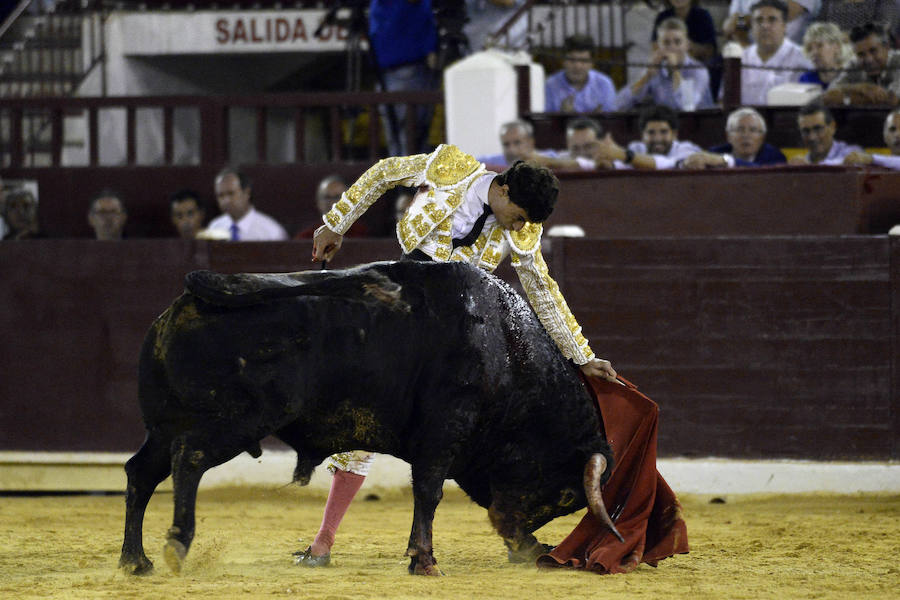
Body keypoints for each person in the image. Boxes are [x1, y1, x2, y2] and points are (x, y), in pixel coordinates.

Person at [296, 146, 619, 567]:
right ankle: (322, 543)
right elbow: (383, 172)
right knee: (363, 417)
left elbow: (542, 289)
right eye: (518, 215)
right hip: (405, 308)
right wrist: (336, 223)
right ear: (502, 190)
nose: (520, 227)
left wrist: (581, 356)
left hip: (457, 334)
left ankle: (515, 536)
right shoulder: (449, 169)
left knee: (487, 428)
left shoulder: (521, 230)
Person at [369, 0, 438, 156]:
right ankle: (405, 177)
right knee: (405, 135)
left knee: (404, 135)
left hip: (400, 68)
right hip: (398, 69)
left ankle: (403, 177)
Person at [616, 17, 714, 111]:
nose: (672, 47)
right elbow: (619, 104)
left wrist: (675, 71)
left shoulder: (698, 70)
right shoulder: (655, 68)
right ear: (658, 46)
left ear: (687, 45)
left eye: (677, 42)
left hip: (698, 124)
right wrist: (646, 77)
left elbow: (687, 106)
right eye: (666, 43)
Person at [734, 0, 813, 105]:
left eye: (772, 20)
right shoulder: (738, 59)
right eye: (759, 20)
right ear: (752, 26)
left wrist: (743, 17)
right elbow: (733, 21)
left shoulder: (803, 59)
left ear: (784, 26)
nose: (765, 26)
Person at [824, 23, 900, 106]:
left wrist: (846, 97)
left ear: (887, 47)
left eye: (873, 51)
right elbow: (828, 96)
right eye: (861, 54)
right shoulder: (854, 64)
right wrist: (858, 87)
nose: (868, 59)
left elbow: (892, 100)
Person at [207, 167, 288, 241]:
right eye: (220, 195)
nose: (226, 201)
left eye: (231, 194)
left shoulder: (271, 232)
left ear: (247, 193)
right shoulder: (214, 227)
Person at [544, 34, 616, 113]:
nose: (577, 66)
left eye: (583, 61)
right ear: (563, 61)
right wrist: (561, 116)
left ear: (592, 63)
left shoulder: (604, 84)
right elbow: (545, 121)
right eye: (572, 60)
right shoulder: (550, 85)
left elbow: (611, 120)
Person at [625, 104, 703, 167]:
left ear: (674, 134)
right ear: (642, 135)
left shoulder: (685, 149)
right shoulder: (636, 148)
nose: (657, 139)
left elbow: (664, 163)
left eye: (664, 132)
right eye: (651, 132)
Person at [708, 106, 788, 165]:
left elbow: (759, 172)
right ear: (728, 136)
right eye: (739, 129)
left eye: (753, 130)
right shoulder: (714, 153)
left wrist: (726, 161)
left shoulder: (775, 156)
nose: (746, 135)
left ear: (763, 137)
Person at [295, 175, 369, 239]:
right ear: (318, 202)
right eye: (327, 197)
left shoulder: (362, 234)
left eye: (337, 197)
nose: (332, 203)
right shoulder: (307, 237)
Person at [790, 101, 862, 164]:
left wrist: (810, 169)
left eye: (818, 129)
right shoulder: (802, 164)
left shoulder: (852, 153)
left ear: (832, 127)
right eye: (806, 131)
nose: (812, 137)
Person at [651, 0, 718, 65]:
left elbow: (711, 51)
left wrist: (689, 46)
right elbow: (655, 47)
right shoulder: (662, 16)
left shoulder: (703, 16)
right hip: (668, 64)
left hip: (698, 66)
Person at [723, 0, 818, 46]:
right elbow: (732, 24)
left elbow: (788, 12)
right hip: (749, 52)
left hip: (790, 57)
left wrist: (746, 20)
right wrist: (748, 54)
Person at [799, 22, 854, 89]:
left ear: (837, 47)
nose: (814, 52)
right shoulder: (805, 80)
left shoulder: (851, 77)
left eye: (820, 45)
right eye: (810, 48)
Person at [817, 0, 896, 37]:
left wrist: (847, 36)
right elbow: (819, 26)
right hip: (832, 49)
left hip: (867, 48)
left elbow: (881, 25)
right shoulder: (829, 2)